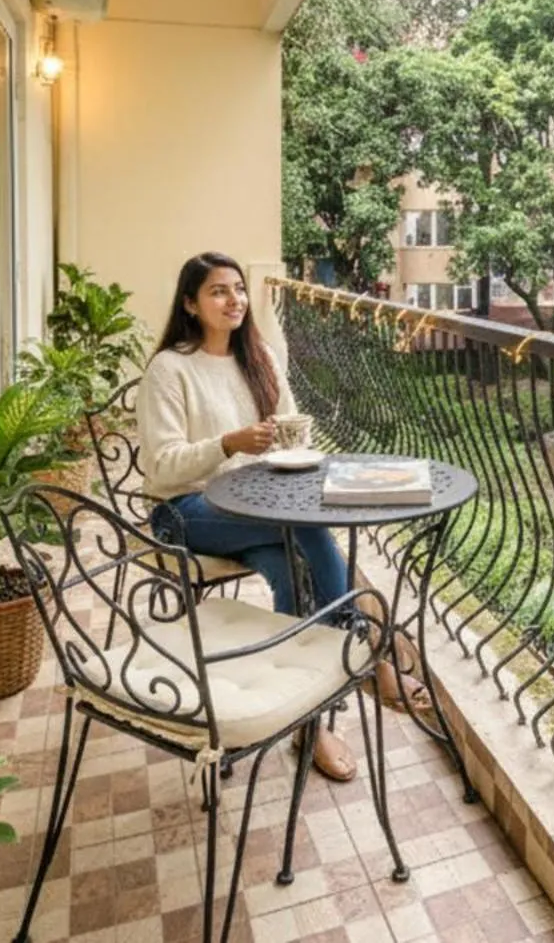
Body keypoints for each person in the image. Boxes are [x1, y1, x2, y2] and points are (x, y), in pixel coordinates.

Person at [137, 252, 428, 782]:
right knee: (308, 528)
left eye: (238, 289)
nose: (234, 300)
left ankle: (305, 723)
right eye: (218, 291)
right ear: (190, 304)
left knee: (295, 570)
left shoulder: (261, 357)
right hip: (185, 511)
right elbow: (160, 466)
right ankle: (363, 650)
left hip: (256, 508)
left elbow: (294, 429)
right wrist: (228, 444)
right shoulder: (170, 369)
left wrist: (290, 449)